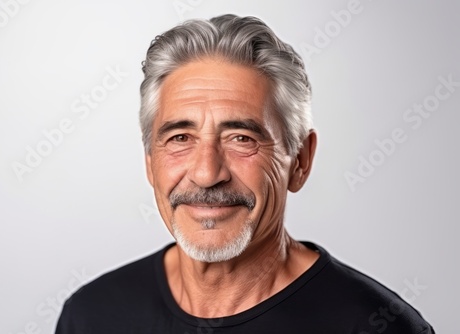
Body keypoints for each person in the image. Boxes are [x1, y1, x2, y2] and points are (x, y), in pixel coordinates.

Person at [55, 14, 434, 333]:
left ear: (300, 160)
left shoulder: (378, 325)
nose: (206, 173)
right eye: (180, 137)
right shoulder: (91, 315)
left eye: (241, 138)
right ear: (150, 162)